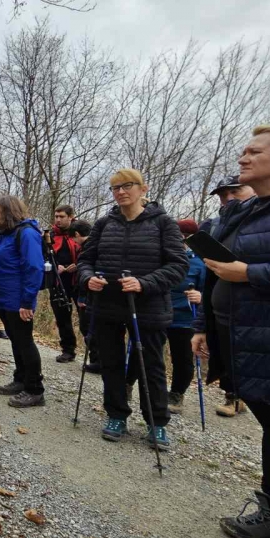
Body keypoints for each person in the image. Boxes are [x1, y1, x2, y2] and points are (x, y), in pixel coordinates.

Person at [203, 122, 270, 538]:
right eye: (243, 151)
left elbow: (247, 272)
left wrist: (251, 273)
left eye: (254, 151)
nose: (243, 157)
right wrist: (206, 328)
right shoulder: (251, 209)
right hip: (250, 340)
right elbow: (220, 270)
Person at [77, 169, 188, 450]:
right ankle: (116, 415)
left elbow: (178, 266)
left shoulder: (164, 224)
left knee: (150, 365)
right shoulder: (104, 224)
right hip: (108, 305)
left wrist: (144, 283)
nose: (121, 192)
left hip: (148, 307)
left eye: (127, 186)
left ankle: (157, 423)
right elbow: (84, 260)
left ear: (143, 188)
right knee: (111, 363)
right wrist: (88, 278)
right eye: (115, 187)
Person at [196, 175, 256, 418]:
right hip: (224, 307)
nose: (227, 199)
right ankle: (233, 396)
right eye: (222, 195)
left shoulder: (269, 220)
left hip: (262, 310)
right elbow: (209, 279)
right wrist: (201, 325)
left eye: (234, 192)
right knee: (227, 356)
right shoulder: (214, 226)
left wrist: (251, 273)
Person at [0, 196, 46, 408]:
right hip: (5, 300)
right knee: (15, 340)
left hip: (20, 300)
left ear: (8, 211)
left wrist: (27, 302)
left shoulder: (27, 233)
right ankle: (20, 379)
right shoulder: (4, 235)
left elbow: (34, 268)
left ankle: (35, 390)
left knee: (25, 341)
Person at [166, 219, 205, 414]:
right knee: (146, 352)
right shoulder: (164, 257)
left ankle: (176, 394)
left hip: (184, 318)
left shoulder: (200, 262)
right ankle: (129, 384)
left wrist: (201, 296)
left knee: (182, 359)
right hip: (159, 313)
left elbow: (211, 291)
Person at [47, 205, 80, 362]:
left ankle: (96, 356)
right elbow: (44, 255)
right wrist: (56, 266)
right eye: (56, 216)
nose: (58, 220)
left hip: (79, 280)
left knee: (86, 318)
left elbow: (90, 251)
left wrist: (79, 265)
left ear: (71, 217)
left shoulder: (81, 231)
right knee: (62, 317)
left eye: (62, 217)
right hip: (58, 281)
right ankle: (68, 350)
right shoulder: (50, 235)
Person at [70, 219, 100, 374]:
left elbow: (86, 274)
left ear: (76, 234)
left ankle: (97, 361)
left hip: (89, 295)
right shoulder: (98, 244)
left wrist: (82, 298)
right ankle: (97, 360)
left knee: (87, 328)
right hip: (91, 294)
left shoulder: (88, 248)